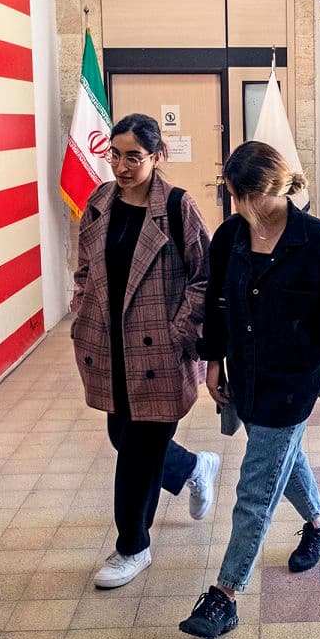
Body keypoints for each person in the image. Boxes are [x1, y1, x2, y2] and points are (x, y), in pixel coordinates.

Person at [179, 142, 320, 638]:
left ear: (278, 186)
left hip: (296, 378)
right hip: (247, 373)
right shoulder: (230, 237)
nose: (245, 208)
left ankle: (225, 595)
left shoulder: (314, 237)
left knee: (256, 484)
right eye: (237, 197)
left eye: (252, 196)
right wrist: (213, 362)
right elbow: (216, 307)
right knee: (284, 454)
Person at [71, 113, 220, 589]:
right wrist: (81, 308)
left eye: (134, 156)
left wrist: (181, 328)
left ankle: (131, 547)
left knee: (135, 455)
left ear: (157, 157)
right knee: (123, 436)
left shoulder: (177, 207)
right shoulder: (99, 202)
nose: (122, 166)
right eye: (114, 155)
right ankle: (195, 467)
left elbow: (205, 275)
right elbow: (83, 268)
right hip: (109, 347)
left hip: (159, 351)